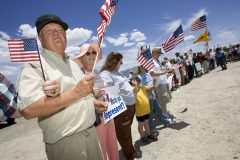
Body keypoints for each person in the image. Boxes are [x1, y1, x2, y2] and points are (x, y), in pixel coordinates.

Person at [16, 14, 106, 160]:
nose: (57, 34)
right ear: (40, 39)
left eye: (60, 30)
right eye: (49, 31)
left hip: (92, 135)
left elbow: (81, 93)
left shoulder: (73, 64)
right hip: (66, 144)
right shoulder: (34, 65)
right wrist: (75, 93)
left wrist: (92, 102)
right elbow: (28, 110)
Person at [74, 43, 119, 160]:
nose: (91, 56)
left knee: (113, 143)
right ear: (81, 57)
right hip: (95, 117)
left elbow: (104, 91)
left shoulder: (98, 72)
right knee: (101, 148)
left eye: (94, 52)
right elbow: (75, 96)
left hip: (108, 112)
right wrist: (91, 91)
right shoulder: (78, 74)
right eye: (87, 53)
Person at [100, 52, 138, 160]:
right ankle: (131, 156)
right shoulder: (105, 74)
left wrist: (132, 88)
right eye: (120, 62)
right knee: (124, 134)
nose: (122, 63)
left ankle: (129, 151)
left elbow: (124, 86)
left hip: (130, 105)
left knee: (126, 131)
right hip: (122, 108)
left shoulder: (117, 72)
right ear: (114, 61)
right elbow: (107, 91)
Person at [150, 48, 175, 124]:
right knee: (163, 102)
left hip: (163, 82)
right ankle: (166, 118)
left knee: (165, 101)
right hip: (159, 84)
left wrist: (167, 72)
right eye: (158, 53)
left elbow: (160, 71)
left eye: (159, 54)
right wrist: (163, 73)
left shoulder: (157, 61)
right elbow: (152, 74)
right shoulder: (151, 61)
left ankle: (166, 114)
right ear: (153, 53)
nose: (159, 55)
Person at [130, 76, 155, 143]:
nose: (138, 84)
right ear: (132, 85)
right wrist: (134, 85)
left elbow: (150, 88)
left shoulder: (143, 88)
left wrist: (155, 83)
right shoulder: (132, 91)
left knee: (146, 123)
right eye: (136, 83)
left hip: (146, 110)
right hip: (139, 112)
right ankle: (142, 136)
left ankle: (149, 134)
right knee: (140, 124)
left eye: (138, 83)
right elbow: (134, 91)